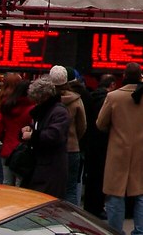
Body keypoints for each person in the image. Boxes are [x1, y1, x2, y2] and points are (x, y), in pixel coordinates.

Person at [96, 62, 143, 235]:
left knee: (115, 193)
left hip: (118, 151)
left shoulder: (113, 97)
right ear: (141, 76)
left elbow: (100, 123)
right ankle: (141, 231)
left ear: (124, 76)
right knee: (141, 194)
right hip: (142, 151)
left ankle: (115, 231)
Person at [21, 76, 71, 198]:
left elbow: (54, 135)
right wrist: (29, 129)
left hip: (52, 167)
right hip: (40, 166)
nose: (36, 102)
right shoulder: (43, 111)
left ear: (45, 96)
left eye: (38, 99)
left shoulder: (59, 111)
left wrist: (32, 135)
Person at [50, 65, 87, 206]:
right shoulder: (76, 99)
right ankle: (70, 222)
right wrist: (74, 138)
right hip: (72, 148)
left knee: (52, 188)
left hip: (52, 148)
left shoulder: (47, 99)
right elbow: (82, 126)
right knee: (71, 189)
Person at [83, 73, 115, 217]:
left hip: (90, 142)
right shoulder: (107, 101)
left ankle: (89, 206)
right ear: (112, 85)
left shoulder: (91, 97)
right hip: (102, 143)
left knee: (91, 177)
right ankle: (97, 208)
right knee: (100, 177)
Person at [0, 75, 33, 185]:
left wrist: (6, 139)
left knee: (6, 183)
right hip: (25, 151)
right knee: (21, 184)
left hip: (8, 149)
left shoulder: (7, 106)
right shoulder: (33, 108)